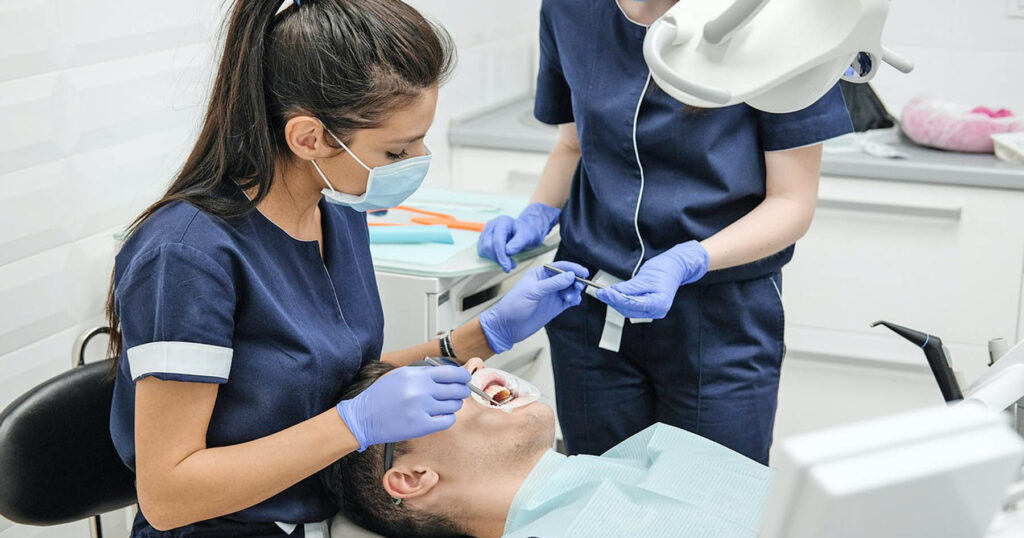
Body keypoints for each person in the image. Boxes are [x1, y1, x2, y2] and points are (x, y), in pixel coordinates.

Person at [106, 0, 588, 535]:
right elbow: (169, 496)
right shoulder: (186, 257)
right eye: (396, 152)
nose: (417, 162)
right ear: (308, 138)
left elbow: (322, 374)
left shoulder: (335, 210)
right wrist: (351, 424)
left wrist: (484, 335)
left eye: (420, 140)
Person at [477, 0, 854, 464]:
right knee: (598, 492)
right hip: (590, 305)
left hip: (720, 319)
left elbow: (791, 202)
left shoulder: (775, 19)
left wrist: (688, 260)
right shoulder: (569, 8)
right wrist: (537, 213)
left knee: (711, 495)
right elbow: (572, 145)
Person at [322, 360, 773, 538]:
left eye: (449, 368)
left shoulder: (651, 452)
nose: (471, 369)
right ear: (411, 478)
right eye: (433, 392)